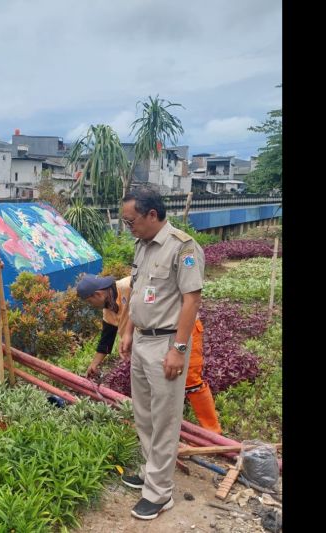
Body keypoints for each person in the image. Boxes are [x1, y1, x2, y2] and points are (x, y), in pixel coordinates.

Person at [116, 188, 205, 520]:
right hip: (141, 339)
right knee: (145, 414)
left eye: (131, 221)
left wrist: (179, 350)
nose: (129, 228)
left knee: (165, 419)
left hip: (167, 343)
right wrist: (127, 332)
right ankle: (150, 471)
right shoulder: (141, 246)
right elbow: (137, 290)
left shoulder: (182, 247)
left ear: (151, 215)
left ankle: (160, 493)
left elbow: (191, 300)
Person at [75, 274, 221, 434]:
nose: (91, 305)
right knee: (157, 381)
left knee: (191, 379)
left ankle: (212, 431)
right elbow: (106, 340)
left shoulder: (128, 284)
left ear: (98, 294)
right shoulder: (108, 309)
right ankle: (166, 427)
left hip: (181, 329)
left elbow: (156, 283)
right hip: (151, 339)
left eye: (90, 301)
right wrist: (94, 364)